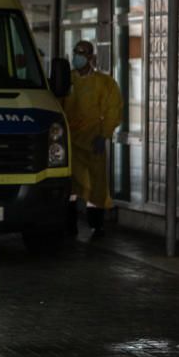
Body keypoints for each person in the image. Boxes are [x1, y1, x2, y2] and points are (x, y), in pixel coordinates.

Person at [62, 40, 123, 239]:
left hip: (92, 142)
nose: (78, 56)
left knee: (95, 186)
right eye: (76, 52)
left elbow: (113, 110)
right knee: (70, 186)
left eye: (83, 53)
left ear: (90, 57)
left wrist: (104, 135)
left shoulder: (104, 83)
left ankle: (97, 225)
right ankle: (69, 225)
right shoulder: (66, 81)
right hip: (69, 142)